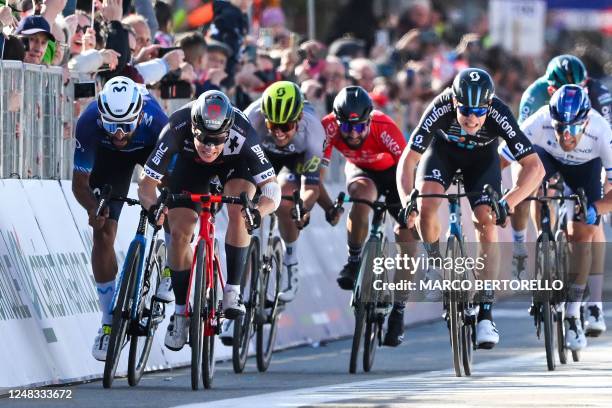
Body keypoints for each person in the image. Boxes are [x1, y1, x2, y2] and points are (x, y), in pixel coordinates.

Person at [397, 68, 544, 349]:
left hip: (482, 161)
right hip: (443, 155)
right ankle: (433, 262)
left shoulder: (499, 113)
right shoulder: (440, 107)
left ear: (489, 105)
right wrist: (407, 200)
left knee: (487, 219)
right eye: (465, 111)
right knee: (426, 203)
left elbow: (534, 167)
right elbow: (409, 159)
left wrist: (508, 202)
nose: (472, 118)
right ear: (454, 103)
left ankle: (486, 312)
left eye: (479, 112)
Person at [137, 90, 281, 351]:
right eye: (203, 137)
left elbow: (272, 188)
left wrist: (258, 211)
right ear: (193, 126)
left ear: (228, 132)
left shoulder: (244, 132)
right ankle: (181, 313)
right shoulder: (176, 127)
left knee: (240, 211)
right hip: (190, 169)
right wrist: (153, 208)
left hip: (234, 167)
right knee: (179, 233)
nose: (210, 146)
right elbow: (146, 186)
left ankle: (233, 292)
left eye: (217, 140)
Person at [500, 85, 612, 349]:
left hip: (585, 168)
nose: (566, 134)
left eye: (573, 128)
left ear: (585, 122)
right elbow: (502, 159)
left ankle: (573, 313)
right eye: (560, 126)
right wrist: (500, 193)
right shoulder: (539, 119)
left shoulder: (602, 131)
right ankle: (533, 245)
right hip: (547, 158)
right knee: (524, 180)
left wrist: (598, 208)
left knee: (583, 233)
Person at [71, 76, 168, 361]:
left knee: (175, 200)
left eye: (126, 125)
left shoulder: (156, 120)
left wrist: (166, 202)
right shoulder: (89, 122)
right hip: (110, 163)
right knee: (102, 233)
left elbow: (174, 177)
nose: (119, 133)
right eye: (112, 125)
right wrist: (93, 209)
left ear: (139, 113)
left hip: (151, 151)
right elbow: (80, 184)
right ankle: (109, 321)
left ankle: (169, 268)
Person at [318, 86, 416, 346]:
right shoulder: (327, 127)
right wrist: (327, 205)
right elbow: (318, 174)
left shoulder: (385, 127)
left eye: (359, 127)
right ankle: (353, 260)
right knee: (361, 198)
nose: (352, 135)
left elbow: (408, 168)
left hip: (394, 174)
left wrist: (410, 207)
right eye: (346, 129)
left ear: (369, 120)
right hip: (362, 171)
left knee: (407, 235)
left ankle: (399, 310)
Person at [244, 81, 325, 303]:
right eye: (273, 126)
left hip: (294, 159)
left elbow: (311, 188)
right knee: (244, 192)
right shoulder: (251, 117)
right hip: (262, 155)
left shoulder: (313, 132)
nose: (279, 133)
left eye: (286, 126)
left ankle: (290, 258)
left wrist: (303, 208)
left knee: (287, 200)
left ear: (298, 119)